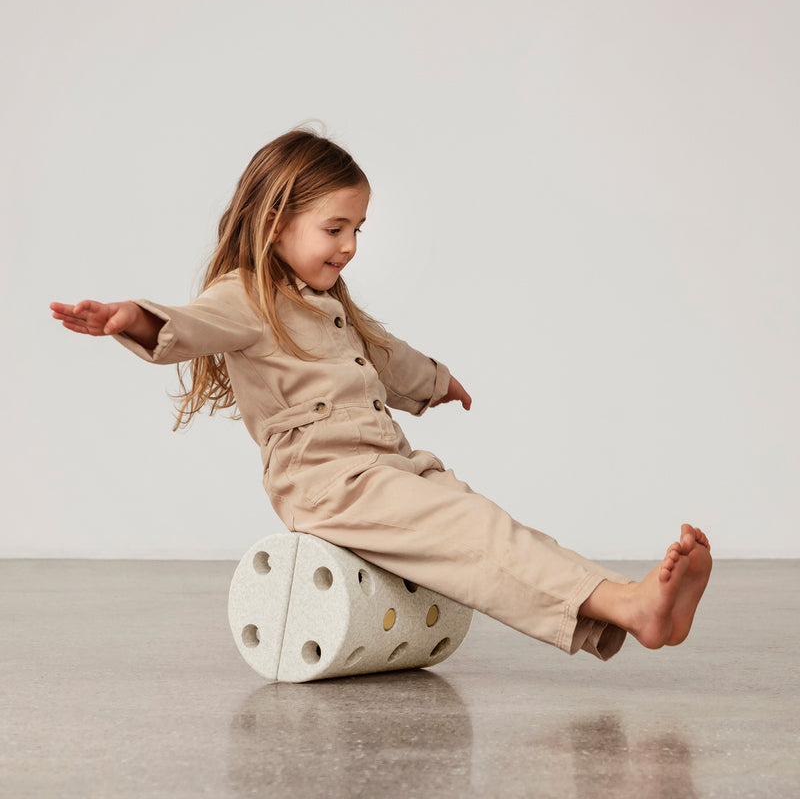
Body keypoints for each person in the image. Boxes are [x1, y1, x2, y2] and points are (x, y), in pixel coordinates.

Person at [50, 126, 711, 660]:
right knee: (471, 531)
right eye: (335, 228)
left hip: (386, 464)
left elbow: (382, 353)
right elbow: (190, 325)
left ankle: (623, 603)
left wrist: (435, 382)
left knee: (493, 529)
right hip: (327, 481)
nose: (350, 247)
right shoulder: (246, 297)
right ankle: (632, 607)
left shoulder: (326, 303)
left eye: (358, 229)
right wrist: (132, 318)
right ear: (276, 222)